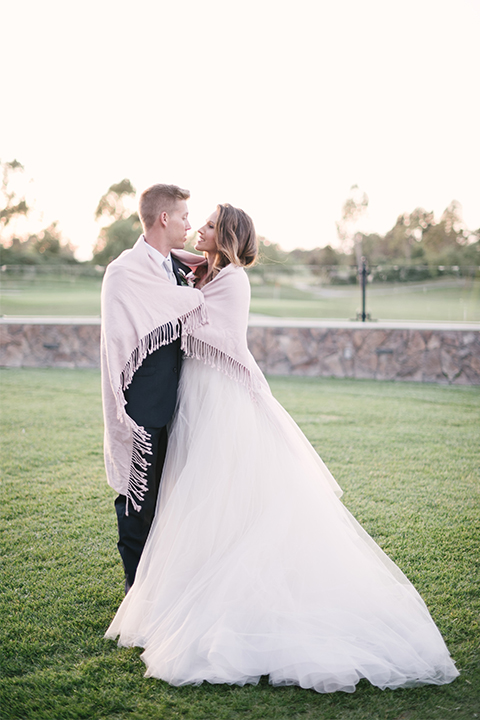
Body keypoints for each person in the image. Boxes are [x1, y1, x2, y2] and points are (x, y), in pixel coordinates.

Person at [105, 204, 459, 693]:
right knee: (197, 498)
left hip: (223, 398)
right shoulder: (204, 270)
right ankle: (187, 590)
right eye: (197, 222)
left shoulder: (232, 280)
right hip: (198, 398)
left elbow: (203, 326)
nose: (199, 230)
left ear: (225, 236)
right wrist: (169, 260)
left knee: (225, 492)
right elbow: (172, 256)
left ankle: (236, 603)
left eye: (208, 226)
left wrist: (173, 292)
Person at [100, 183, 207, 594]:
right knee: (137, 504)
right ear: (164, 218)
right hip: (140, 408)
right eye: (183, 216)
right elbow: (117, 344)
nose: (188, 225)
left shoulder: (178, 269)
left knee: (167, 502)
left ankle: (158, 587)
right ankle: (135, 594)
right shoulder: (124, 272)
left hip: (176, 403)